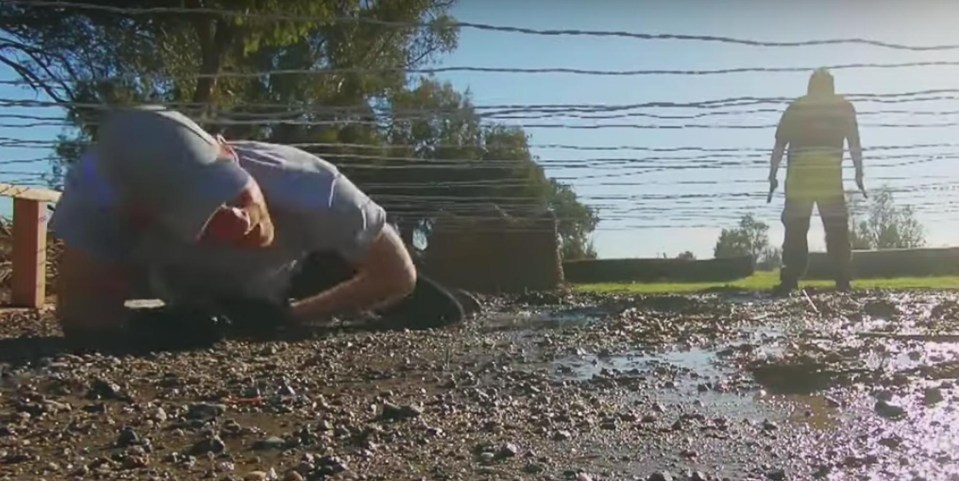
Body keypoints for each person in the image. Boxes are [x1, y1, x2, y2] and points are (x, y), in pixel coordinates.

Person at [50, 105, 465, 351]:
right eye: (203, 216)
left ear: (227, 151)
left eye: (229, 191)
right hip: (199, 295)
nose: (237, 219)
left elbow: (397, 275)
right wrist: (141, 333)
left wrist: (291, 317)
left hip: (302, 275)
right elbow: (81, 318)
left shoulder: (309, 184)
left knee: (442, 310)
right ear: (143, 215)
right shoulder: (101, 208)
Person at [767, 68, 865, 295]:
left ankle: (790, 279)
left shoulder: (797, 108)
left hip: (799, 180)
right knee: (836, 229)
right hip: (828, 179)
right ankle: (842, 280)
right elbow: (854, 144)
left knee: (796, 229)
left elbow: (779, 146)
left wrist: (772, 175)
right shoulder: (843, 108)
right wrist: (859, 172)